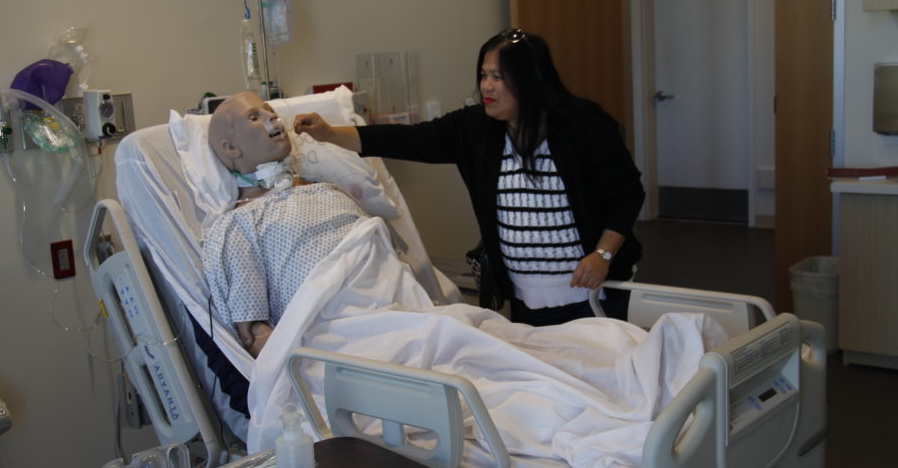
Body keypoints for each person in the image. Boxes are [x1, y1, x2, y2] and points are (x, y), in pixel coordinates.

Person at [294, 29, 645, 326]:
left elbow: (628, 194)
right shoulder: (476, 128)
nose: (486, 87)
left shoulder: (584, 126)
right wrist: (330, 134)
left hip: (596, 289)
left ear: (530, 80)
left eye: (498, 77)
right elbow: (409, 139)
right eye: (483, 75)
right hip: (525, 297)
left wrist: (603, 254)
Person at [204, 91, 368, 356]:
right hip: (340, 339)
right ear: (231, 148)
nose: (271, 116)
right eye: (255, 117)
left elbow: (376, 248)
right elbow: (255, 332)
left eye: (270, 110)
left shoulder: (328, 190)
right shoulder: (240, 225)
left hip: (396, 306)